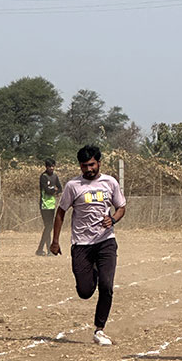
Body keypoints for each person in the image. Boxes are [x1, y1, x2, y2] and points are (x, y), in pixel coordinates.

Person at [50, 145, 126, 345]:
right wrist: (55, 241)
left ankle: (100, 329)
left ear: (99, 163)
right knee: (84, 292)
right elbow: (61, 212)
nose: (89, 169)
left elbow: (121, 207)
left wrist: (113, 219)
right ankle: (91, 271)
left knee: (107, 286)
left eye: (92, 164)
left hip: (105, 242)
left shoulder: (110, 182)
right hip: (81, 244)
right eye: (84, 166)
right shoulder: (73, 186)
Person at [36, 158, 62, 256]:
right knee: (49, 227)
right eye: (50, 166)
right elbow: (47, 191)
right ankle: (47, 250)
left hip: (52, 204)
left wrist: (55, 190)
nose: (52, 168)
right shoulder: (43, 177)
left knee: (49, 227)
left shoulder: (55, 176)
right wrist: (53, 190)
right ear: (46, 167)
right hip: (44, 205)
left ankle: (41, 249)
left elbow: (60, 188)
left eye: (53, 166)